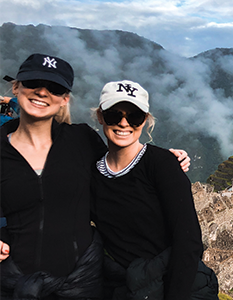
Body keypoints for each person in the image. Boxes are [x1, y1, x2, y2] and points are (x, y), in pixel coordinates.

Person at [0, 53, 189, 299]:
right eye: (33, 83)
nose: (42, 92)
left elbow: (117, 173)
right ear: (16, 87)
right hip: (13, 282)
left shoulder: (81, 140)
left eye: (55, 88)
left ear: (64, 99)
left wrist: (163, 161)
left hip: (82, 282)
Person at [91, 80, 218, 300]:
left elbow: (188, 241)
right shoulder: (93, 172)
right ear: (100, 116)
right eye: (114, 115)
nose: (123, 123)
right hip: (129, 287)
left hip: (174, 285)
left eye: (134, 117)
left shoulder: (162, 165)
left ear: (146, 121)